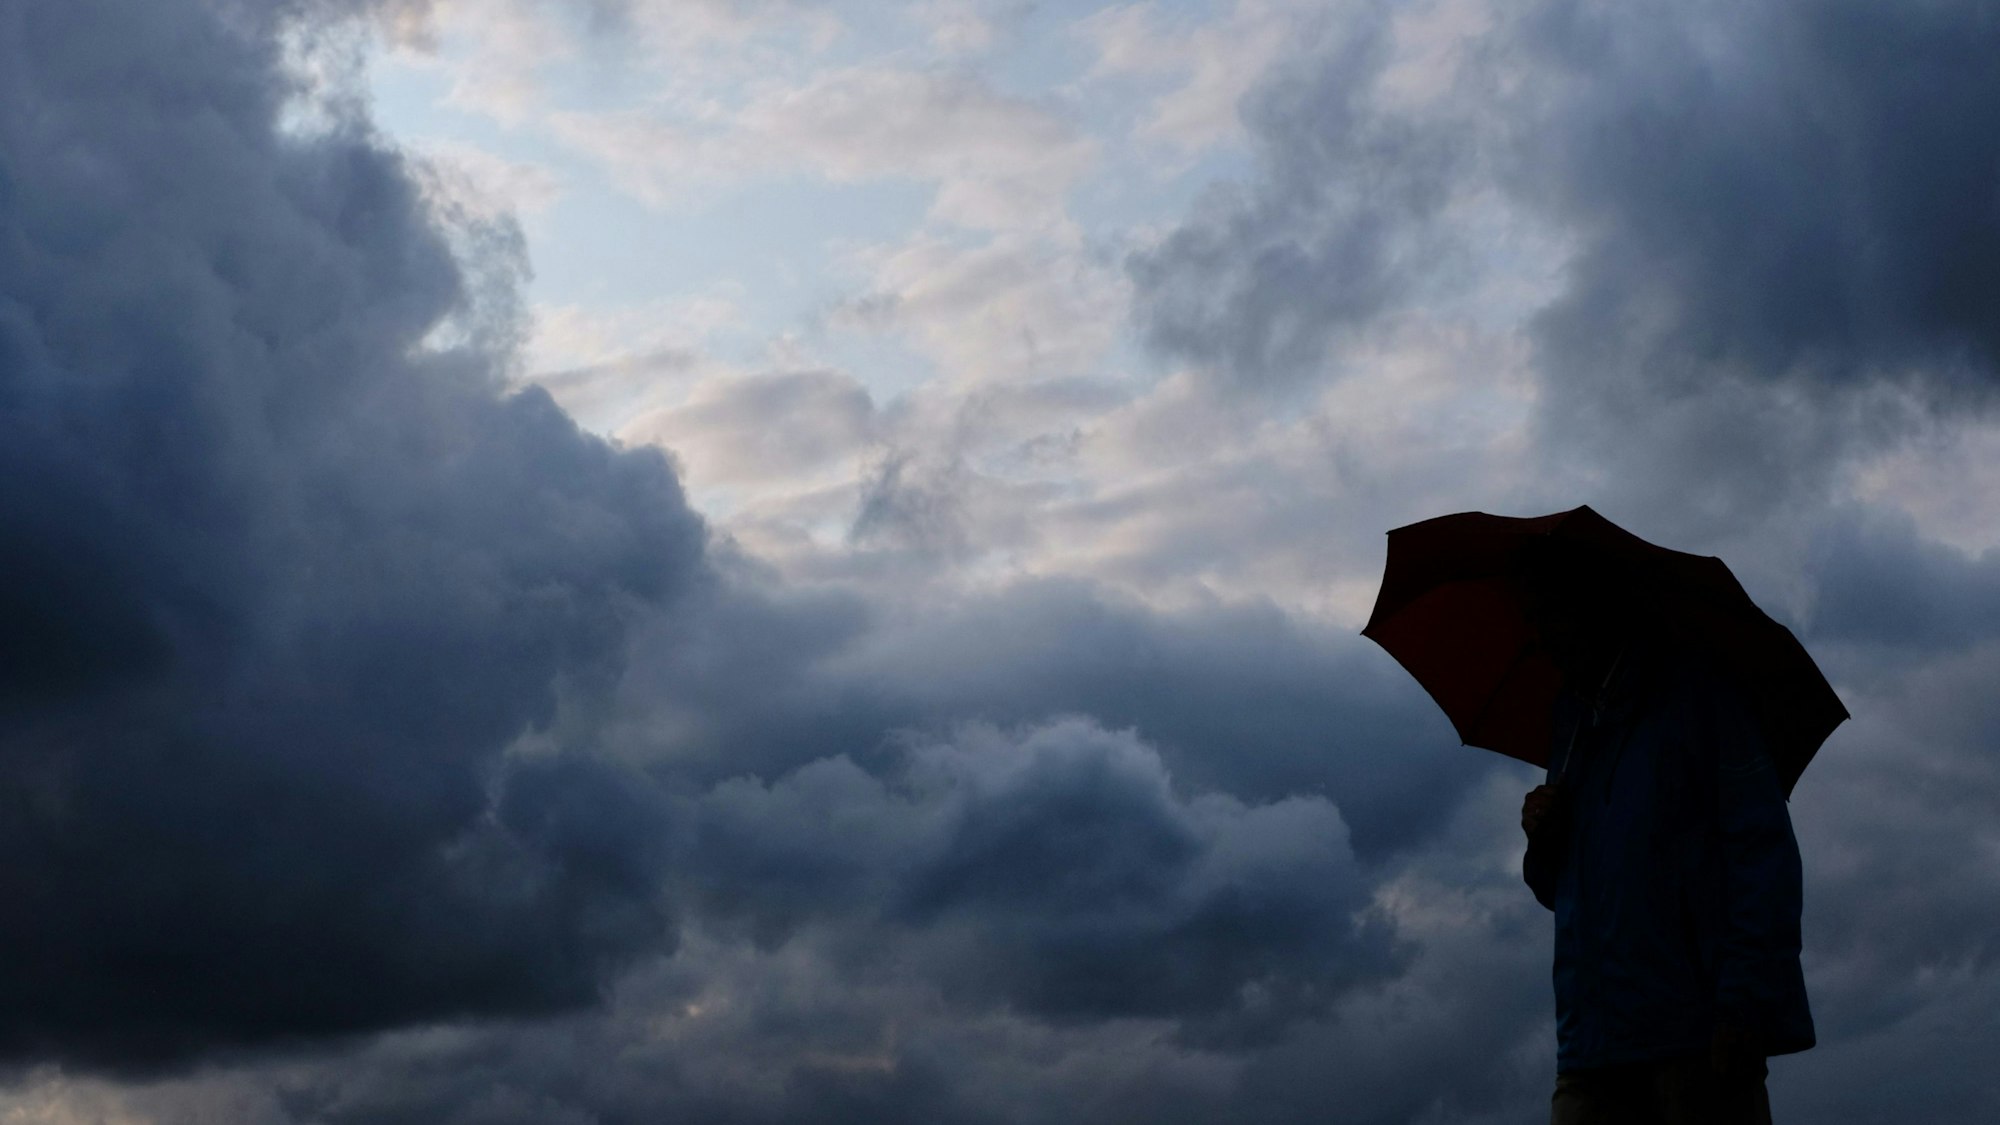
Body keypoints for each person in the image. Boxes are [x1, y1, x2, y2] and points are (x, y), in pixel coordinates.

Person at [1518, 552, 1814, 1125]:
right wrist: (1543, 839)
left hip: (1697, 1038)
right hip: (1590, 1043)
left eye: (1550, 615)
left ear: (1596, 612)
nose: (1539, 636)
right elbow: (1564, 889)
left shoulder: (1700, 698)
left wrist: (1743, 1008)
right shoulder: (1573, 722)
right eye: (1534, 618)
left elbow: (1762, 855)